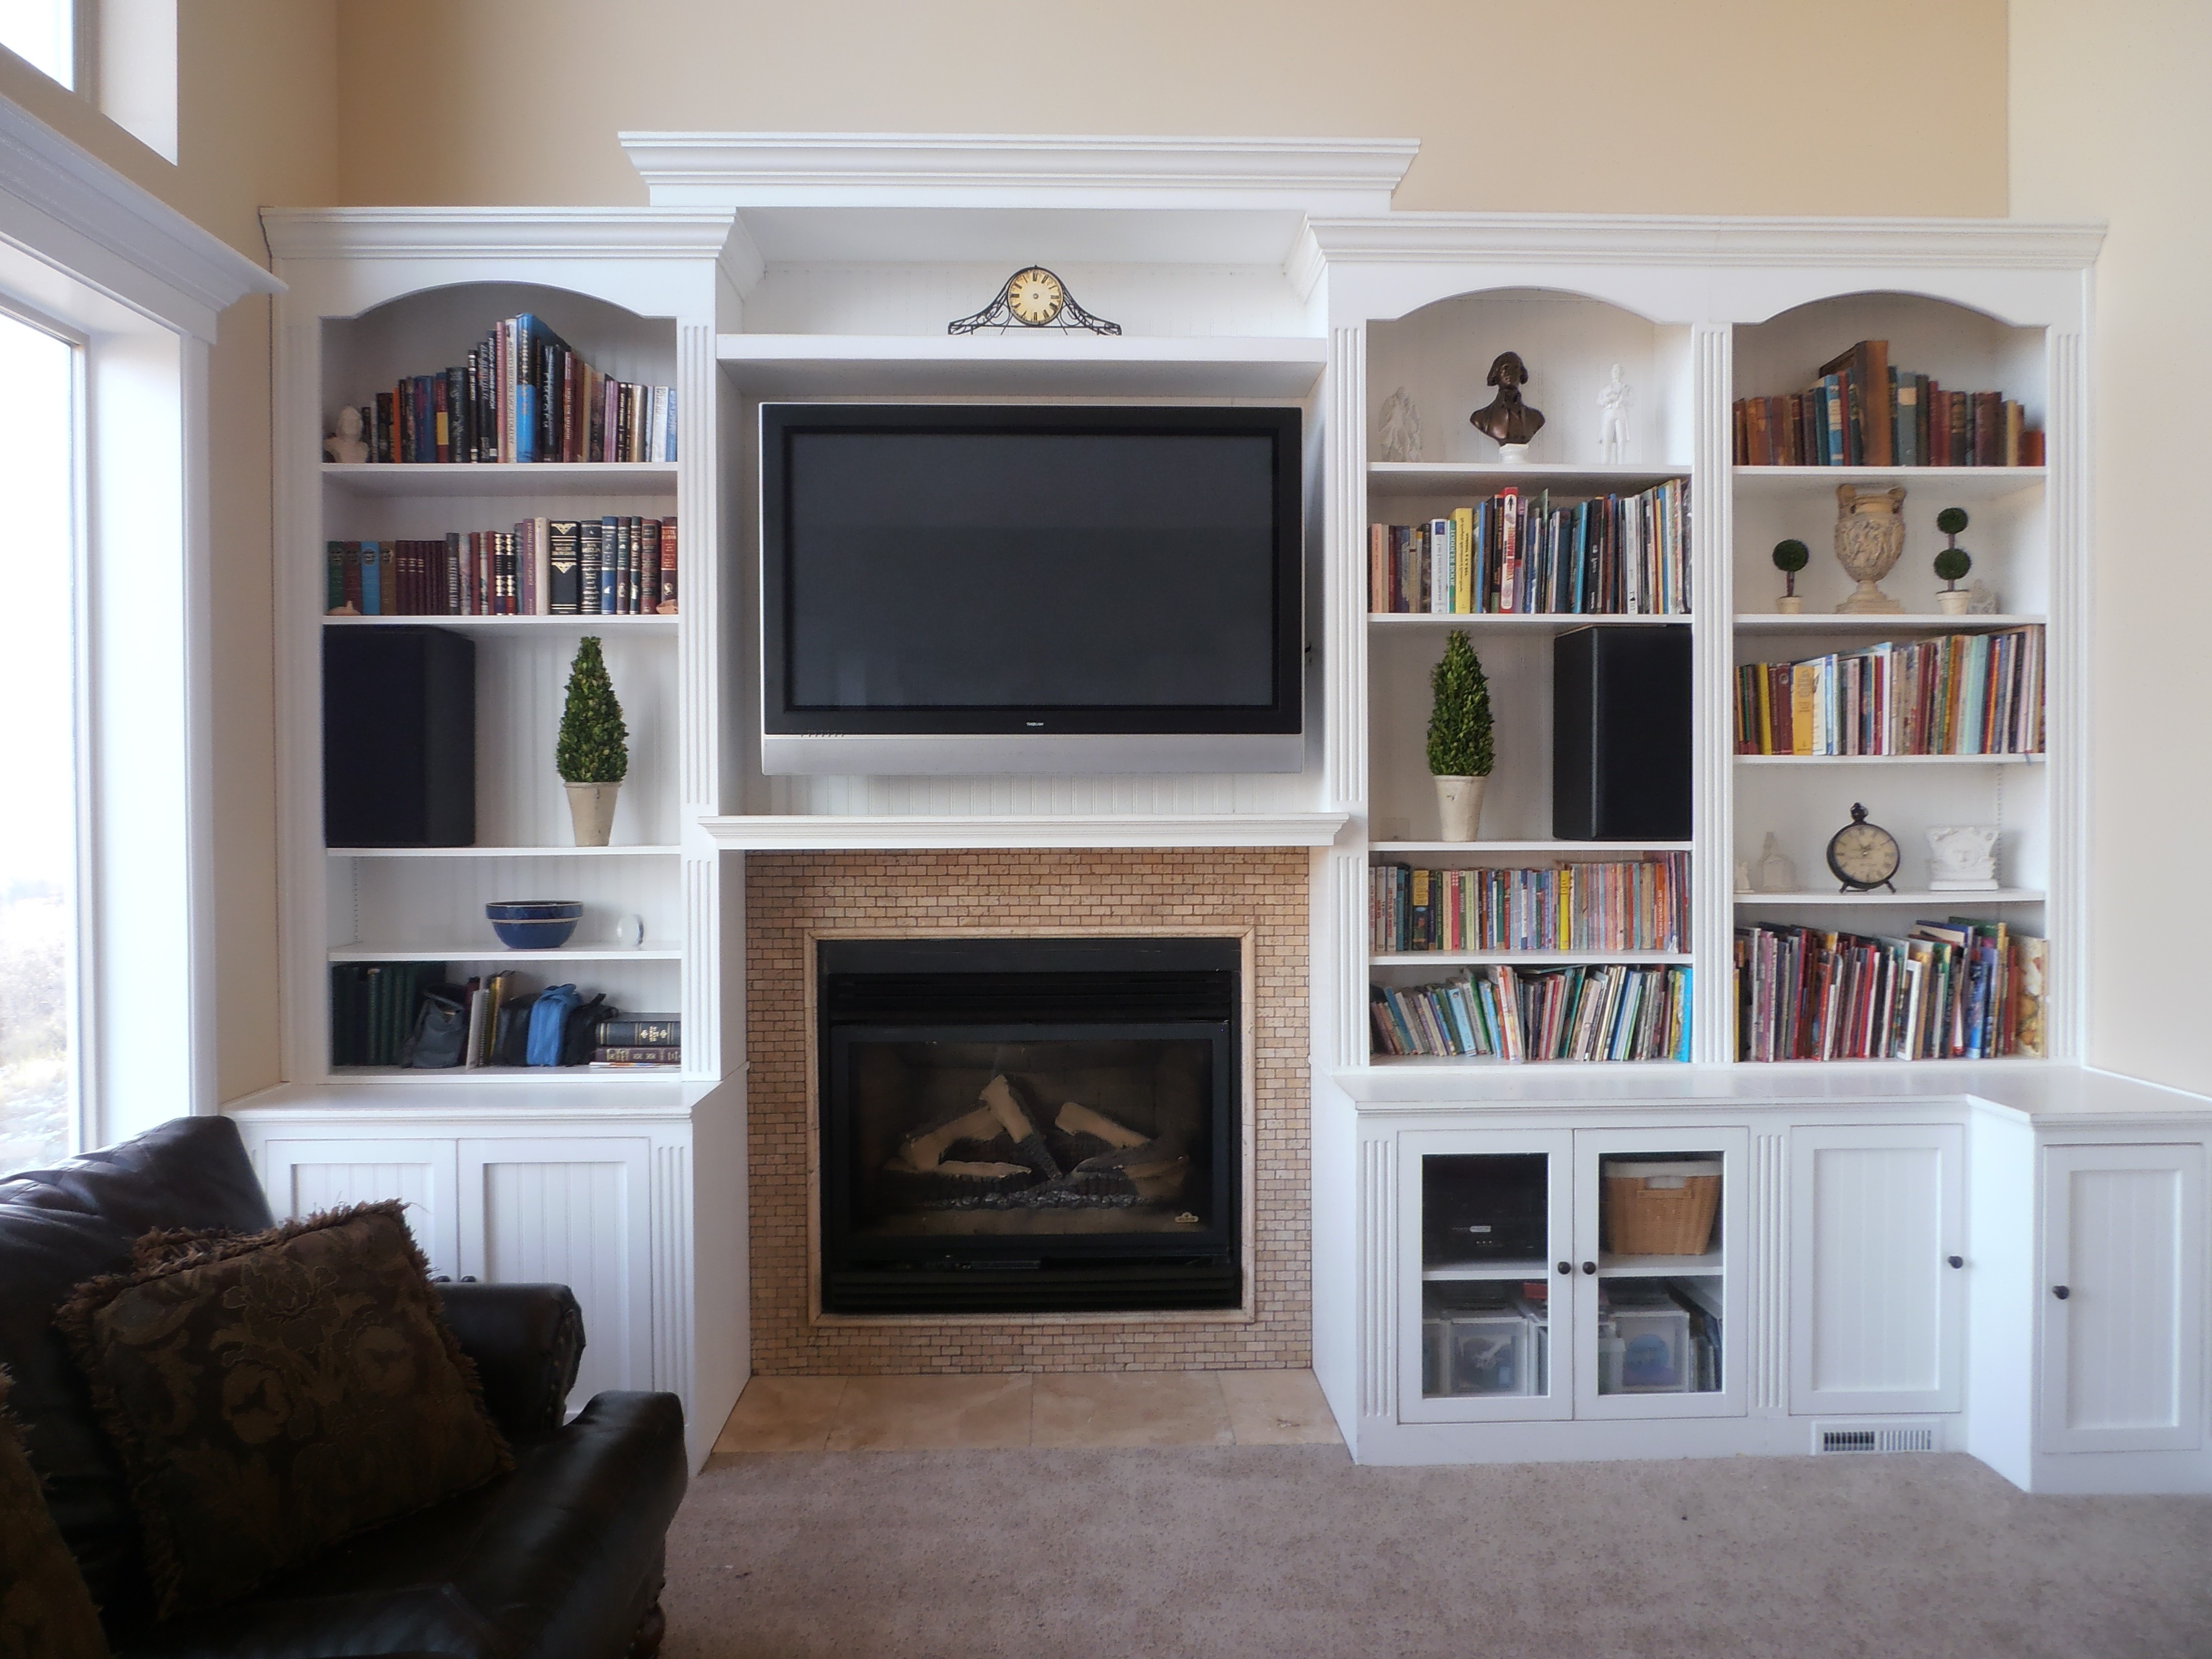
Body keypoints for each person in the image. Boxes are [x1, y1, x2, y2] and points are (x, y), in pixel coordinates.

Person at [1469, 351, 1544, 447]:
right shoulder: (1480, 418)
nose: (1510, 373)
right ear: (1496, 374)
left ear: (1521, 373)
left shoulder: (1536, 418)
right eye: (1506, 368)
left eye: (1515, 368)